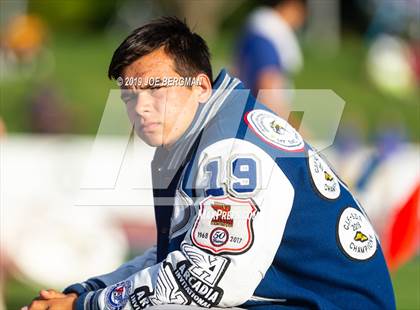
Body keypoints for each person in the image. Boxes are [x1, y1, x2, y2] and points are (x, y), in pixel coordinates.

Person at [25, 17, 395, 310]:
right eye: (129, 95)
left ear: (201, 87)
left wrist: (87, 305)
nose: (140, 107)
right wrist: (84, 292)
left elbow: (204, 283)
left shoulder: (232, 151)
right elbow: (178, 255)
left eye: (156, 88)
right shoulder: (205, 132)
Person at [235, 0, 306, 118]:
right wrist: (295, 130)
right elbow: (266, 91)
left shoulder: (257, 31)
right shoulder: (266, 35)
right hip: (259, 120)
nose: (301, 20)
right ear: (291, 5)